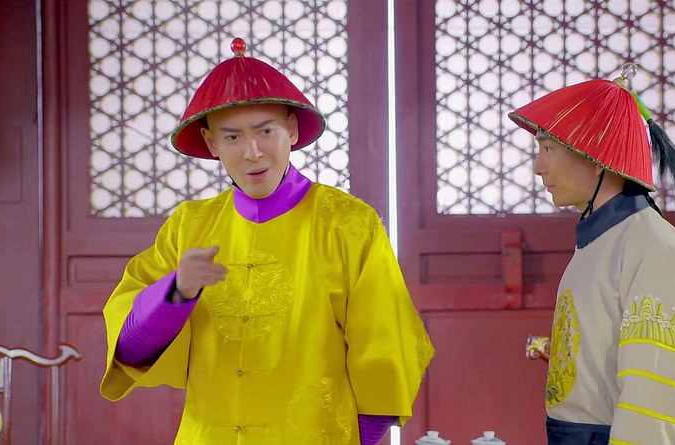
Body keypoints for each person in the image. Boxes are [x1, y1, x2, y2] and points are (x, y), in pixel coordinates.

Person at [100, 38, 434, 445]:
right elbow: (130, 351)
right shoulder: (189, 226)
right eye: (232, 137)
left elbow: (386, 350)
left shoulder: (348, 223)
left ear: (291, 129)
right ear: (211, 143)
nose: (253, 152)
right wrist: (176, 291)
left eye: (266, 131)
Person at [508, 64, 675, 445]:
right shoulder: (601, 241)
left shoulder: (654, 249)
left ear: (596, 155)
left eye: (548, 148)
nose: (538, 167)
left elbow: (651, 401)